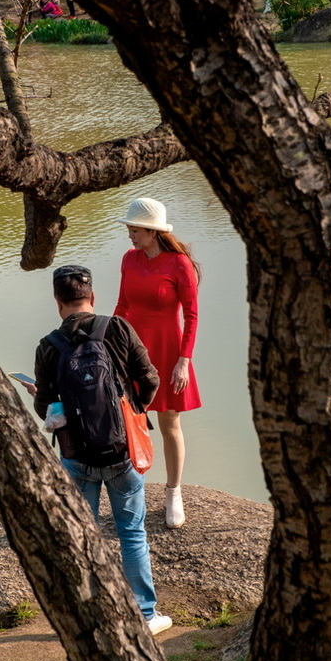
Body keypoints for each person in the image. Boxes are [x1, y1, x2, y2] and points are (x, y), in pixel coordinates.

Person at [29, 264, 173, 636]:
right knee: (132, 532)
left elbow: (45, 407)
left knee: (83, 534)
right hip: (123, 451)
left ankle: (91, 616)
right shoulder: (118, 328)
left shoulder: (49, 345)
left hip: (77, 458)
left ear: (58, 301)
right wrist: (135, 412)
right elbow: (151, 378)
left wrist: (45, 400)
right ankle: (146, 614)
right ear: (92, 297)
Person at [115, 198, 202, 528]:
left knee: (169, 425)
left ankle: (173, 493)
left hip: (167, 351)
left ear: (152, 231)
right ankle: (131, 492)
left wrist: (184, 361)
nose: (130, 235)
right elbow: (122, 306)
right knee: (129, 421)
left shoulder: (179, 264)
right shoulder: (129, 259)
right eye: (129, 229)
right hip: (132, 349)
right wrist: (108, 345)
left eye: (134, 230)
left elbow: (191, 316)